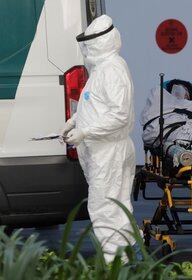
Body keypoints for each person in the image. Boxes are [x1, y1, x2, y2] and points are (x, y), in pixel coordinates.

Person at [62, 15, 140, 263]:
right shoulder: (103, 68)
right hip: (105, 150)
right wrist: (75, 121)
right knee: (116, 207)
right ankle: (130, 257)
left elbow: (119, 115)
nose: (86, 48)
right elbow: (95, 104)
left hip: (110, 151)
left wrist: (86, 132)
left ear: (101, 42)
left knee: (105, 208)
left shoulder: (112, 69)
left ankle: (116, 265)